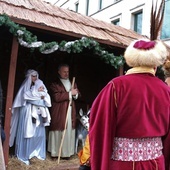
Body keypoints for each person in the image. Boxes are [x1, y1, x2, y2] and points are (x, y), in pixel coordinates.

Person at [89, 39, 170, 170]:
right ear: (155, 64)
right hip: (155, 164)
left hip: (122, 165)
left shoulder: (116, 86)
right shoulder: (166, 90)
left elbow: (100, 127)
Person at [9, 69, 50, 165]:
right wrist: (39, 99)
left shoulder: (40, 85)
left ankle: (36, 153)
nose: (34, 78)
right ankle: (25, 154)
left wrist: (41, 98)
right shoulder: (25, 88)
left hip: (38, 113)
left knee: (38, 134)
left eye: (36, 76)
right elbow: (26, 98)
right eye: (32, 76)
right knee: (28, 132)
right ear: (28, 77)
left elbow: (45, 98)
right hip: (27, 113)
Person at [48, 64, 81, 159]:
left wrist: (75, 94)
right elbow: (57, 97)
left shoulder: (72, 82)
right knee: (59, 130)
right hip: (59, 111)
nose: (66, 74)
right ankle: (55, 153)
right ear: (59, 72)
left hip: (70, 111)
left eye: (67, 72)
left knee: (69, 131)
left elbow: (78, 94)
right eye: (64, 72)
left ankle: (67, 153)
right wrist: (70, 93)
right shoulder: (55, 84)